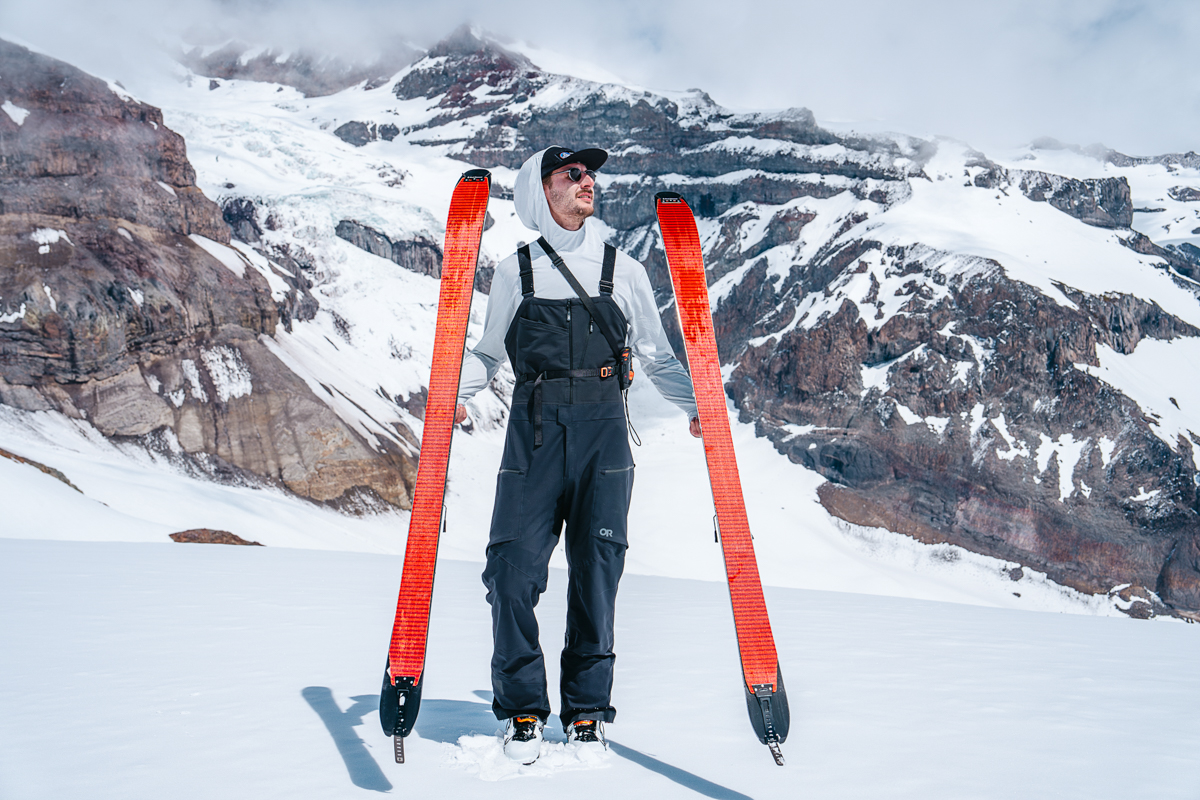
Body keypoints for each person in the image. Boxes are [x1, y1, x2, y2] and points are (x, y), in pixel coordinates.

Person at [454, 145, 700, 764]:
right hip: (532, 435)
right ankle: (523, 710)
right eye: (571, 174)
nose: (587, 181)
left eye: (589, 173)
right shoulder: (516, 272)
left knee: (597, 575)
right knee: (510, 573)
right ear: (541, 193)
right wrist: (450, 392)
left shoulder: (627, 270)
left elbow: (658, 358)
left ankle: (588, 712)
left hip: (605, 438)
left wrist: (701, 407)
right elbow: (486, 355)